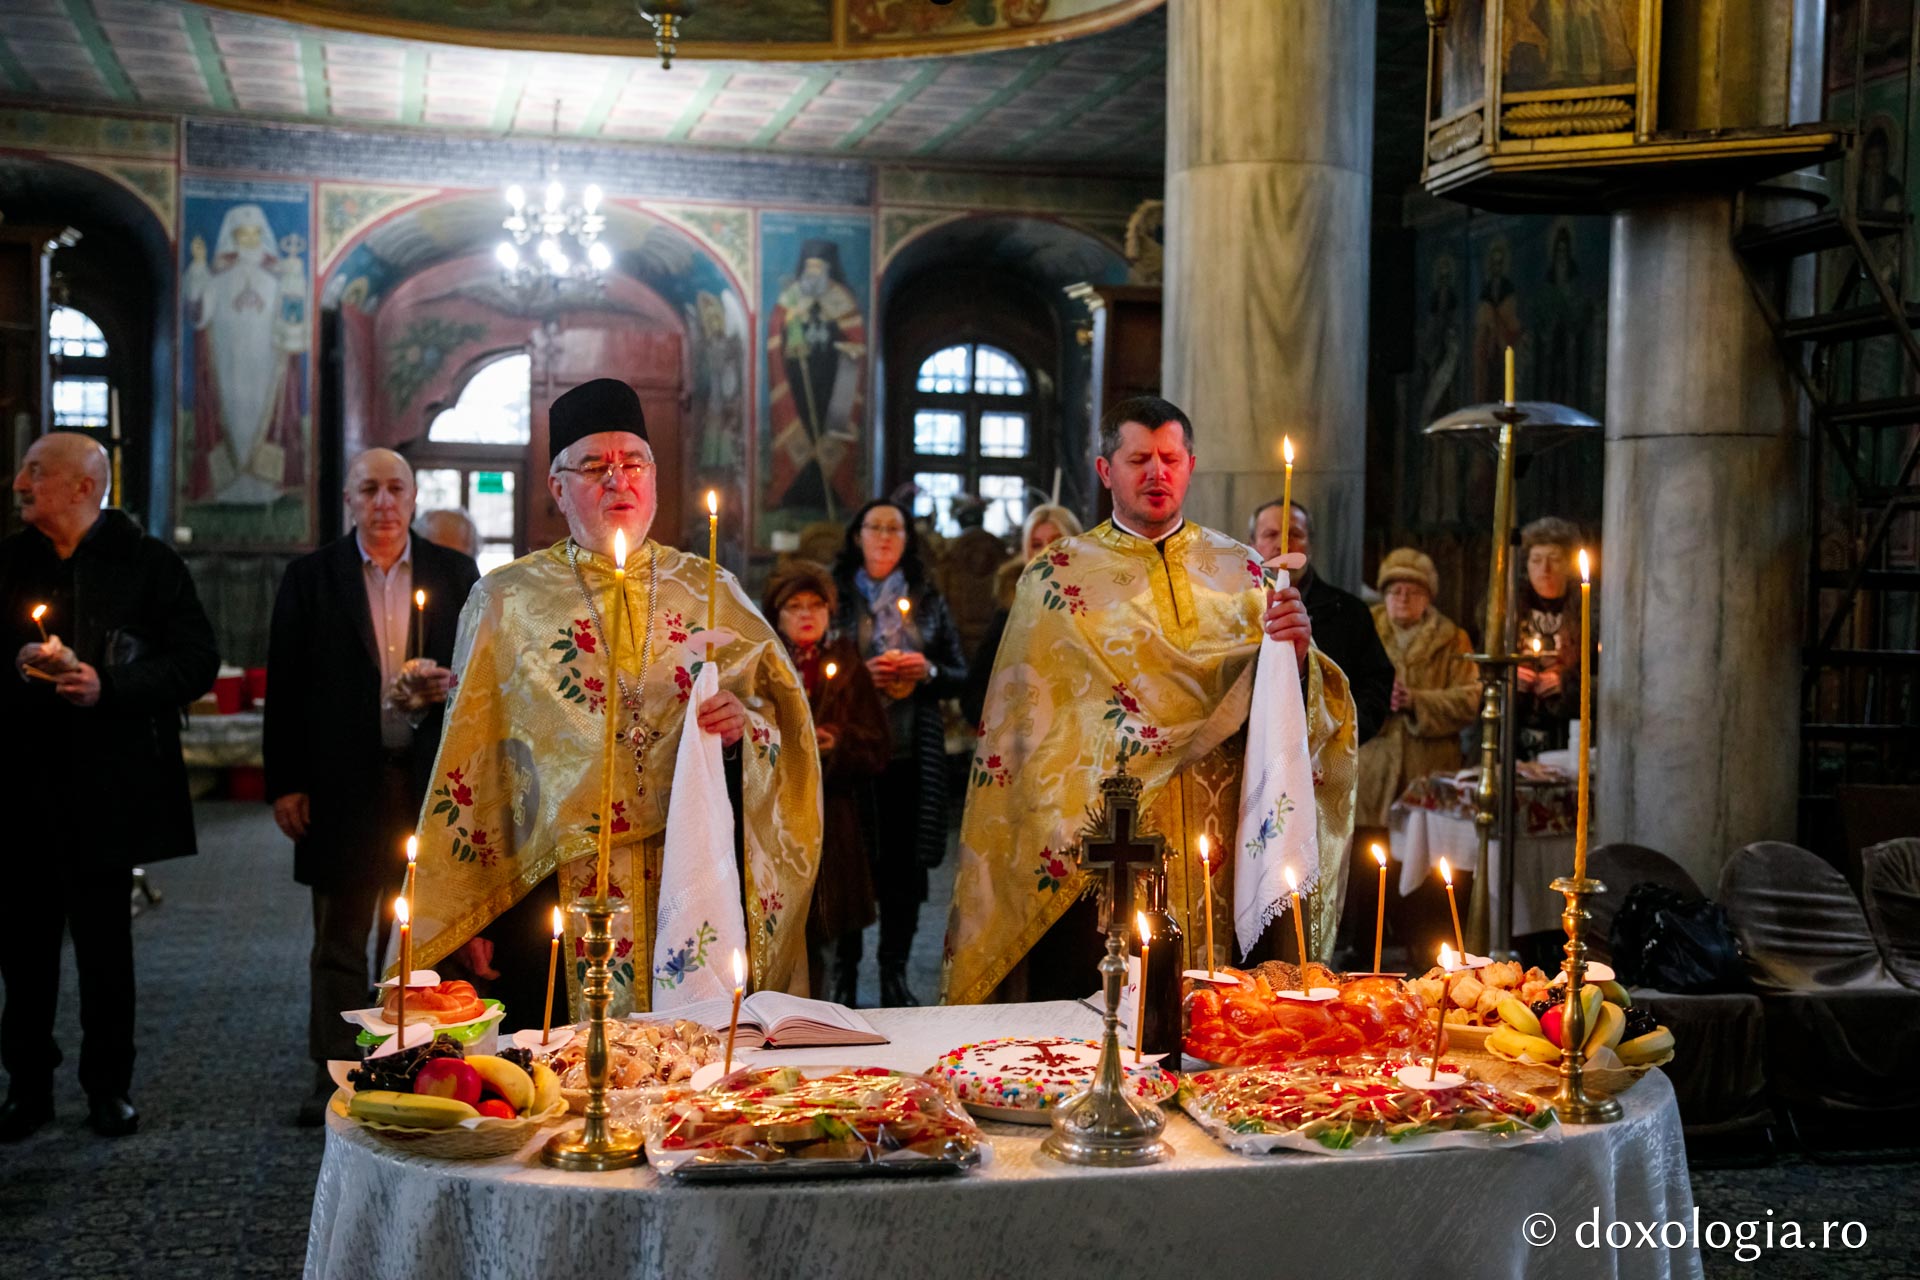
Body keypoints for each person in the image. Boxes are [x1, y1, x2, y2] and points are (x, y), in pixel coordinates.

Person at [408, 378, 821, 1019]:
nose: (616, 481)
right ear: (557, 487)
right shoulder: (504, 602)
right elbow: (470, 758)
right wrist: (472, 913)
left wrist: (745, 731)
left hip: (686, 872)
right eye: (595, 466)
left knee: (686, 1069)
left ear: (654, 477)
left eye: (633, 464)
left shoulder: (710, 589)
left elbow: (785, 732)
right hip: (546, 889)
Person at [945, 397, 1358, 1005]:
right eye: (1139, 458)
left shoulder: (1247, 572)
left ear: (1191, 464)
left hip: (1223, 835)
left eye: (1170, 458)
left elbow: (1290, 712)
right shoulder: (1056, 576)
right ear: (1105, 469)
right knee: (1102, 1012)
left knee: (1223, 1018)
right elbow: (1024, 732)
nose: (1156, 473)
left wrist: (1296, 657)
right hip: (1108, 838)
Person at [1, 432, 218, 1140]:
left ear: (83, 487)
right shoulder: (10, 563)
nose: (19, 483)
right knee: (22, 949)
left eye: (35, 472)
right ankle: (27, 1086)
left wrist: (111, 684)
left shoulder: (148, 564)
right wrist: (18, 664)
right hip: (20, 786)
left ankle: (108, 1087)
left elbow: (196, 661)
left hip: (109, 785)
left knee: (104, 947)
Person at [265, 448, 479, 1126]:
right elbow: (286, 686)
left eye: (395, 488)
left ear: (415, 497)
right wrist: (286, 782)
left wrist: (442, 689)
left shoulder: (455, 572)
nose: (384, 501)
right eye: (369, 489)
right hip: (339, 783)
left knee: (423, 938)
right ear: (351, 500)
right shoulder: (312, 577)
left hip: (427, 782)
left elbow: (478, 679)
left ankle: (418, 1068)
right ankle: (333, 1073)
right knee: (340, 939)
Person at [832, 499, 968, 1006]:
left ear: (907, 539)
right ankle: (843, 976)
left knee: (905, 874)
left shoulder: (927, 598)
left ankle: (894, 974)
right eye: (876, 527)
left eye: (896, 528)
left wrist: (925, 671)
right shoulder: (835, 596)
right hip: (850, 758)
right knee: (850, 865)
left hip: (912, 756)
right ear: (857, 536)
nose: (886, 536)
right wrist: (856, 677)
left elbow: (959, 672)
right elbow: (805, 664)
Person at [763, 560, 889, 1005]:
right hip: (776, 820)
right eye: (794, 606)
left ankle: (837, 1007)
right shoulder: (764, 665)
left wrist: (835, 740)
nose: (806, 614)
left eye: (816, 605)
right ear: (776, 614)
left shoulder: (845, 662)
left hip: (835, 821)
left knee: (834, 931)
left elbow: (877, 744)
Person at [1249, 498, 1395, 745]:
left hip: (1325, 758)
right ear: (1252, 545)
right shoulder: (1234, 611)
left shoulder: (1349, 611)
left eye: (1295, 533)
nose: (1283, 544)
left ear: (1310, 545)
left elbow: (1375, 687)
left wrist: (1340, 735)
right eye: (1270, 534)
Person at [1356, 549, 1480, 828]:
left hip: (1429, 773)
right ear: (1384, 595)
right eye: (1395, 591)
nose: (1403, 598)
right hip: (1371, 772)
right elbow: (1335, 689)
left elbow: (1470, 699)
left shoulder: (1452, 639)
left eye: (1413, 591)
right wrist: (1377, 697)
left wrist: (1415, 701)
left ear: (1428, 598)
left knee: (1426, 859)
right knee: (1367, 857)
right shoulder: (1361, 631)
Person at [965, 502, 1083, 727]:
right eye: (1037, 545)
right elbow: (973, 695)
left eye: (1057, 541)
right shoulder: (1010, 610)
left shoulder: (1100, 607)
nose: (1047, 552)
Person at [1513, 516, 1583, 750]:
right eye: (1536, 560)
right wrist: (1510, 680)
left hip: (1570, 738)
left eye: (1555, 559)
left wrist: (1568, 685)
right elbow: (1478, 681)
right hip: (1514, 738)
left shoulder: (1590, 614)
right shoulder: (1506, 613)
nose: (1545, 569)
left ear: (1568, 565)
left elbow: (1611, 685)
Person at [936, 494, 1007, 660]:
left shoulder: (949, 555)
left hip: (961, 636)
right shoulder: (999, 550)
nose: (979, 559)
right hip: (991, 638)